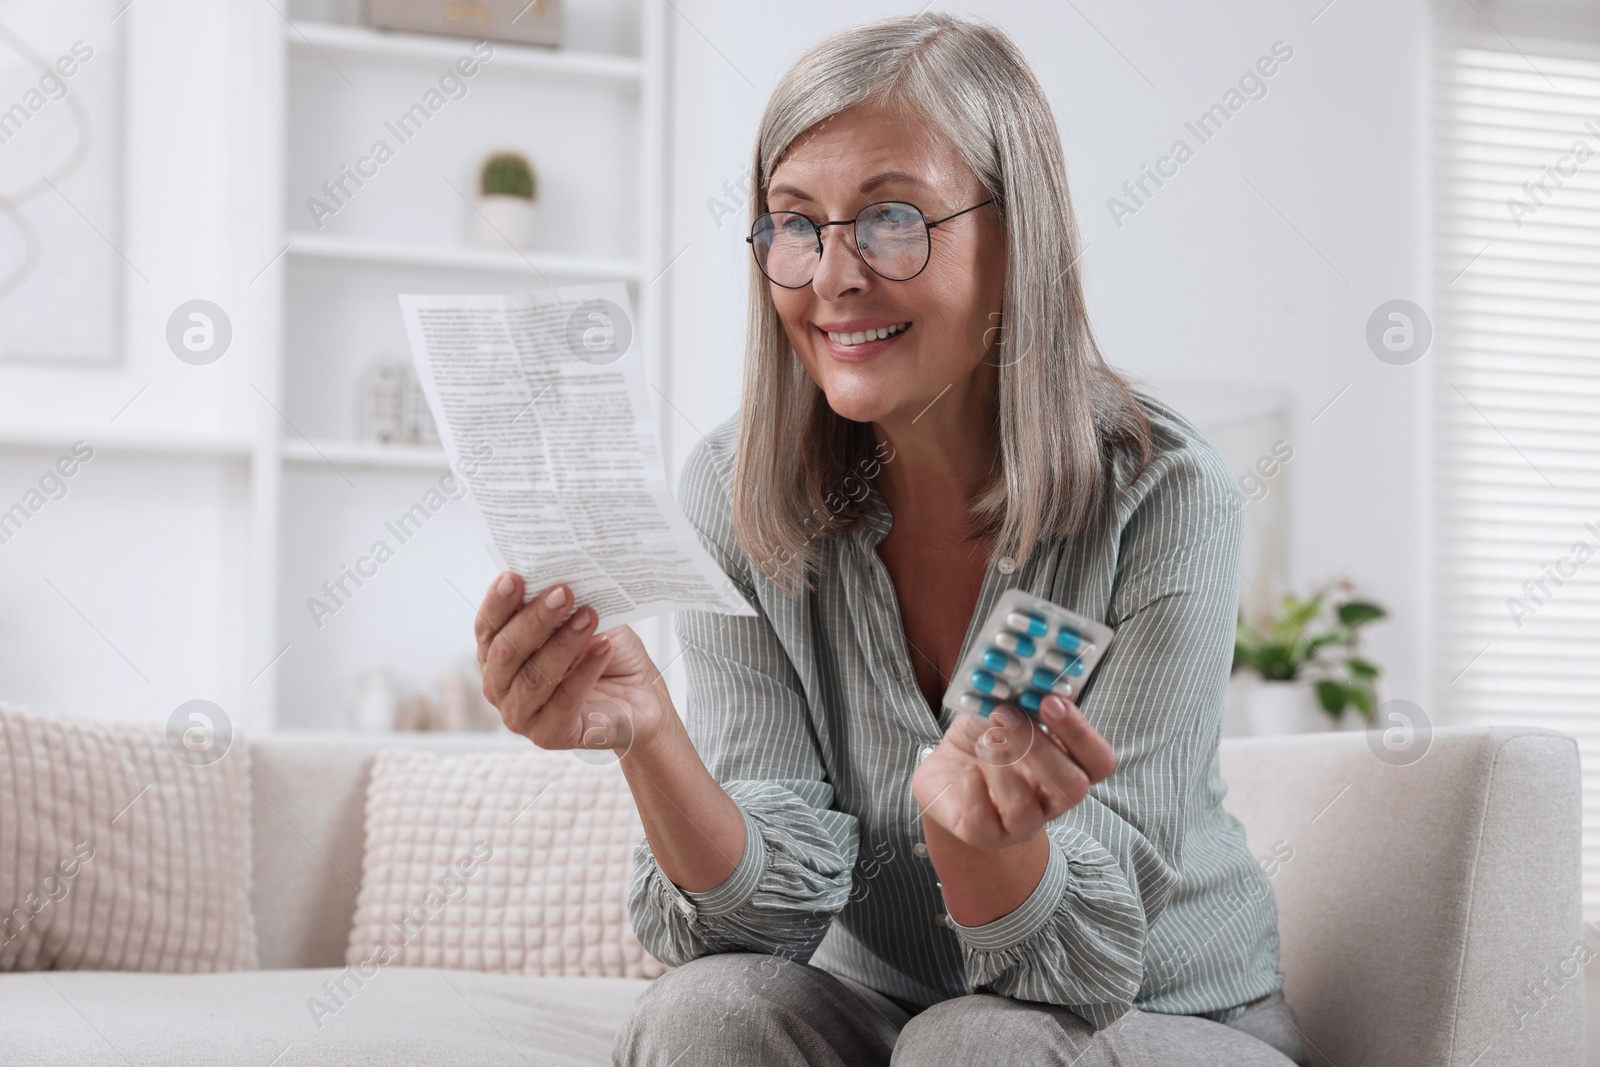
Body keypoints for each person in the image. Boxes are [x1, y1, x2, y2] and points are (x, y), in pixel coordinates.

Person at [473, 12, 1308, 1066]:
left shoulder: (1165, 496)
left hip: (1169, 1010)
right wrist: (650, 732)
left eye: (890, 219)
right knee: (707, 1010)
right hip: (895, 1011)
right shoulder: (739, 497)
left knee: (979, 1043)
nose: (830, 275)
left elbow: (1087, 959)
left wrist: (975, 840)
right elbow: (752, 926)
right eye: (793, 223)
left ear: (1014, 238)